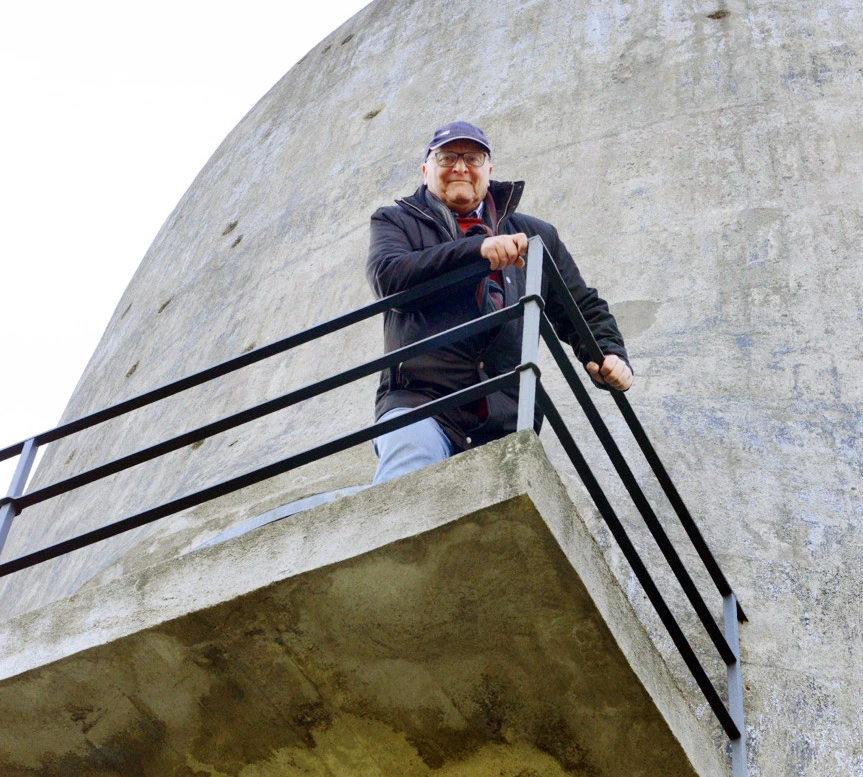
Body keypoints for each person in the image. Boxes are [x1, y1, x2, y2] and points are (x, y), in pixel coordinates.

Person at [366, 121, 632, 484]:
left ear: (488, 171)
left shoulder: (536, 235)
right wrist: (475, 251)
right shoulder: (395, 221)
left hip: (504, 420)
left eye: (473, 157)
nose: (460, 167)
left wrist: (607, 353)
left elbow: (579, 305)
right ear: (425, 169)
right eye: (446, 157)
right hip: (421, 405)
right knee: (403, 500)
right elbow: (389, 278)